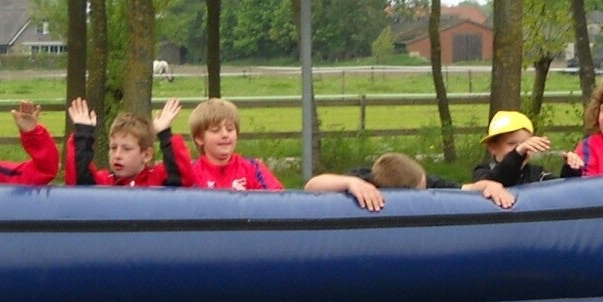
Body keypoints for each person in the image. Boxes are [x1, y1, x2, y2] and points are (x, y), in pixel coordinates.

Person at [306, 151, 514, 211]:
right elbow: (312, 186)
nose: (425, 189)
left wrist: (489, 185)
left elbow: (466, 188)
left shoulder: (425, 181)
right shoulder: (363, 179)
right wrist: (350, 183)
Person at [65, 97, 192, 187]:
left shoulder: (158, 178)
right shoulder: (103, 182)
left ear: (146, 155)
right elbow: (77, 179)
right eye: (113, 148)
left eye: (126, 149)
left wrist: (165, 135)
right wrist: (83, 134)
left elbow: (183, 178)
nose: (117, 155)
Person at [187, 98, 283, 191]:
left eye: (230, 129)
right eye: (215, 130)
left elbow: (277, 197)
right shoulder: (189, 174)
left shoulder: (253, 168)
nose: (225, 135)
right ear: (199, 138)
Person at [471, 110, 560, 187]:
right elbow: (501, 177)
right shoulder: (483, 172)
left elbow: (559, 190)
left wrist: (568, 169)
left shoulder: (538, 173)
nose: (522, 149)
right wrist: (517, 153)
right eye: (512, 143)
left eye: (526, 144)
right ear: (493, 147)